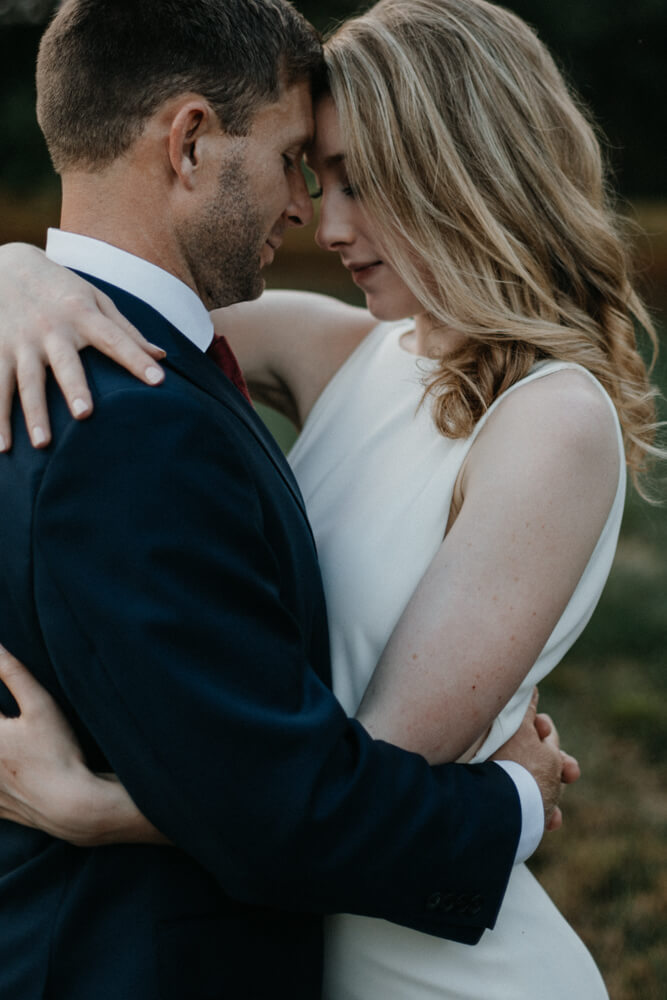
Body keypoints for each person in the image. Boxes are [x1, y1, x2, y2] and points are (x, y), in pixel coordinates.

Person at [1, 0, 658, 997]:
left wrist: (91, 804)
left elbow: (345, 776)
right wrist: (14, 275)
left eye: (358, 183)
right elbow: (134, 300)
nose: (326, 221)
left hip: (433, 970)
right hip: (304, 943)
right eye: (311, 174)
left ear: (464, 173)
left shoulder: (551, 420)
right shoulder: (358, 351)